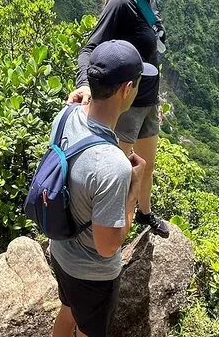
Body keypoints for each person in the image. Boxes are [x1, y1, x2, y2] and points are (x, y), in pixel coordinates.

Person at [67, 0, 177, 239]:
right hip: (125, 106)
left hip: (148, 102)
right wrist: (85, 84)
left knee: (146, 165)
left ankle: (144, 213)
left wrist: (156, 101)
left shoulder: (148, 2)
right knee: (120, 171)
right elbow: (89, 49)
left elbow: (149, 55)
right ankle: (109, 230)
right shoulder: (121, 3)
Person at [51, 40, 159, 337]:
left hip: (60, 251)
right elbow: (107, 246)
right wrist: (134, 189)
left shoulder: (66, 116)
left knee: (67, 311)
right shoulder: (112, 165)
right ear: (127, 89)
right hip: (91, 274)